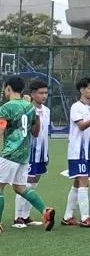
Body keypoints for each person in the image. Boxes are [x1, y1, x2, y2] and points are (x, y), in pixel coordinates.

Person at [0, 76, 55, 233]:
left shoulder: (6, 107)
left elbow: (1, 128)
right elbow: (35, 133)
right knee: (20, 188)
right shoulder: (30, 107)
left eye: (4, 89)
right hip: (24, 156)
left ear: (8, 88)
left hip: (10, 153)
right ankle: (45, 210)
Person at [63, 76, 90, 227]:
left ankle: (67, 217)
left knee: (77, 182)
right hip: (77, 152)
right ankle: (85, 218)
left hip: (86, 152)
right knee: (84, 181)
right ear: (82, 90)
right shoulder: (76, 107)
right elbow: (81, 126)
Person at [13, 78, 50, 228]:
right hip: (28, 152)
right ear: (33, 94)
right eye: (41, 93)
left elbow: (44, 133)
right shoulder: (26, 109)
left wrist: (46, 154)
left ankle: (26, 216)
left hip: (41, 153)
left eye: (46, 93)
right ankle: (18, 217)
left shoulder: (46, 111)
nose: (44, 96)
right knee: (25, 184)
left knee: (33, 184)